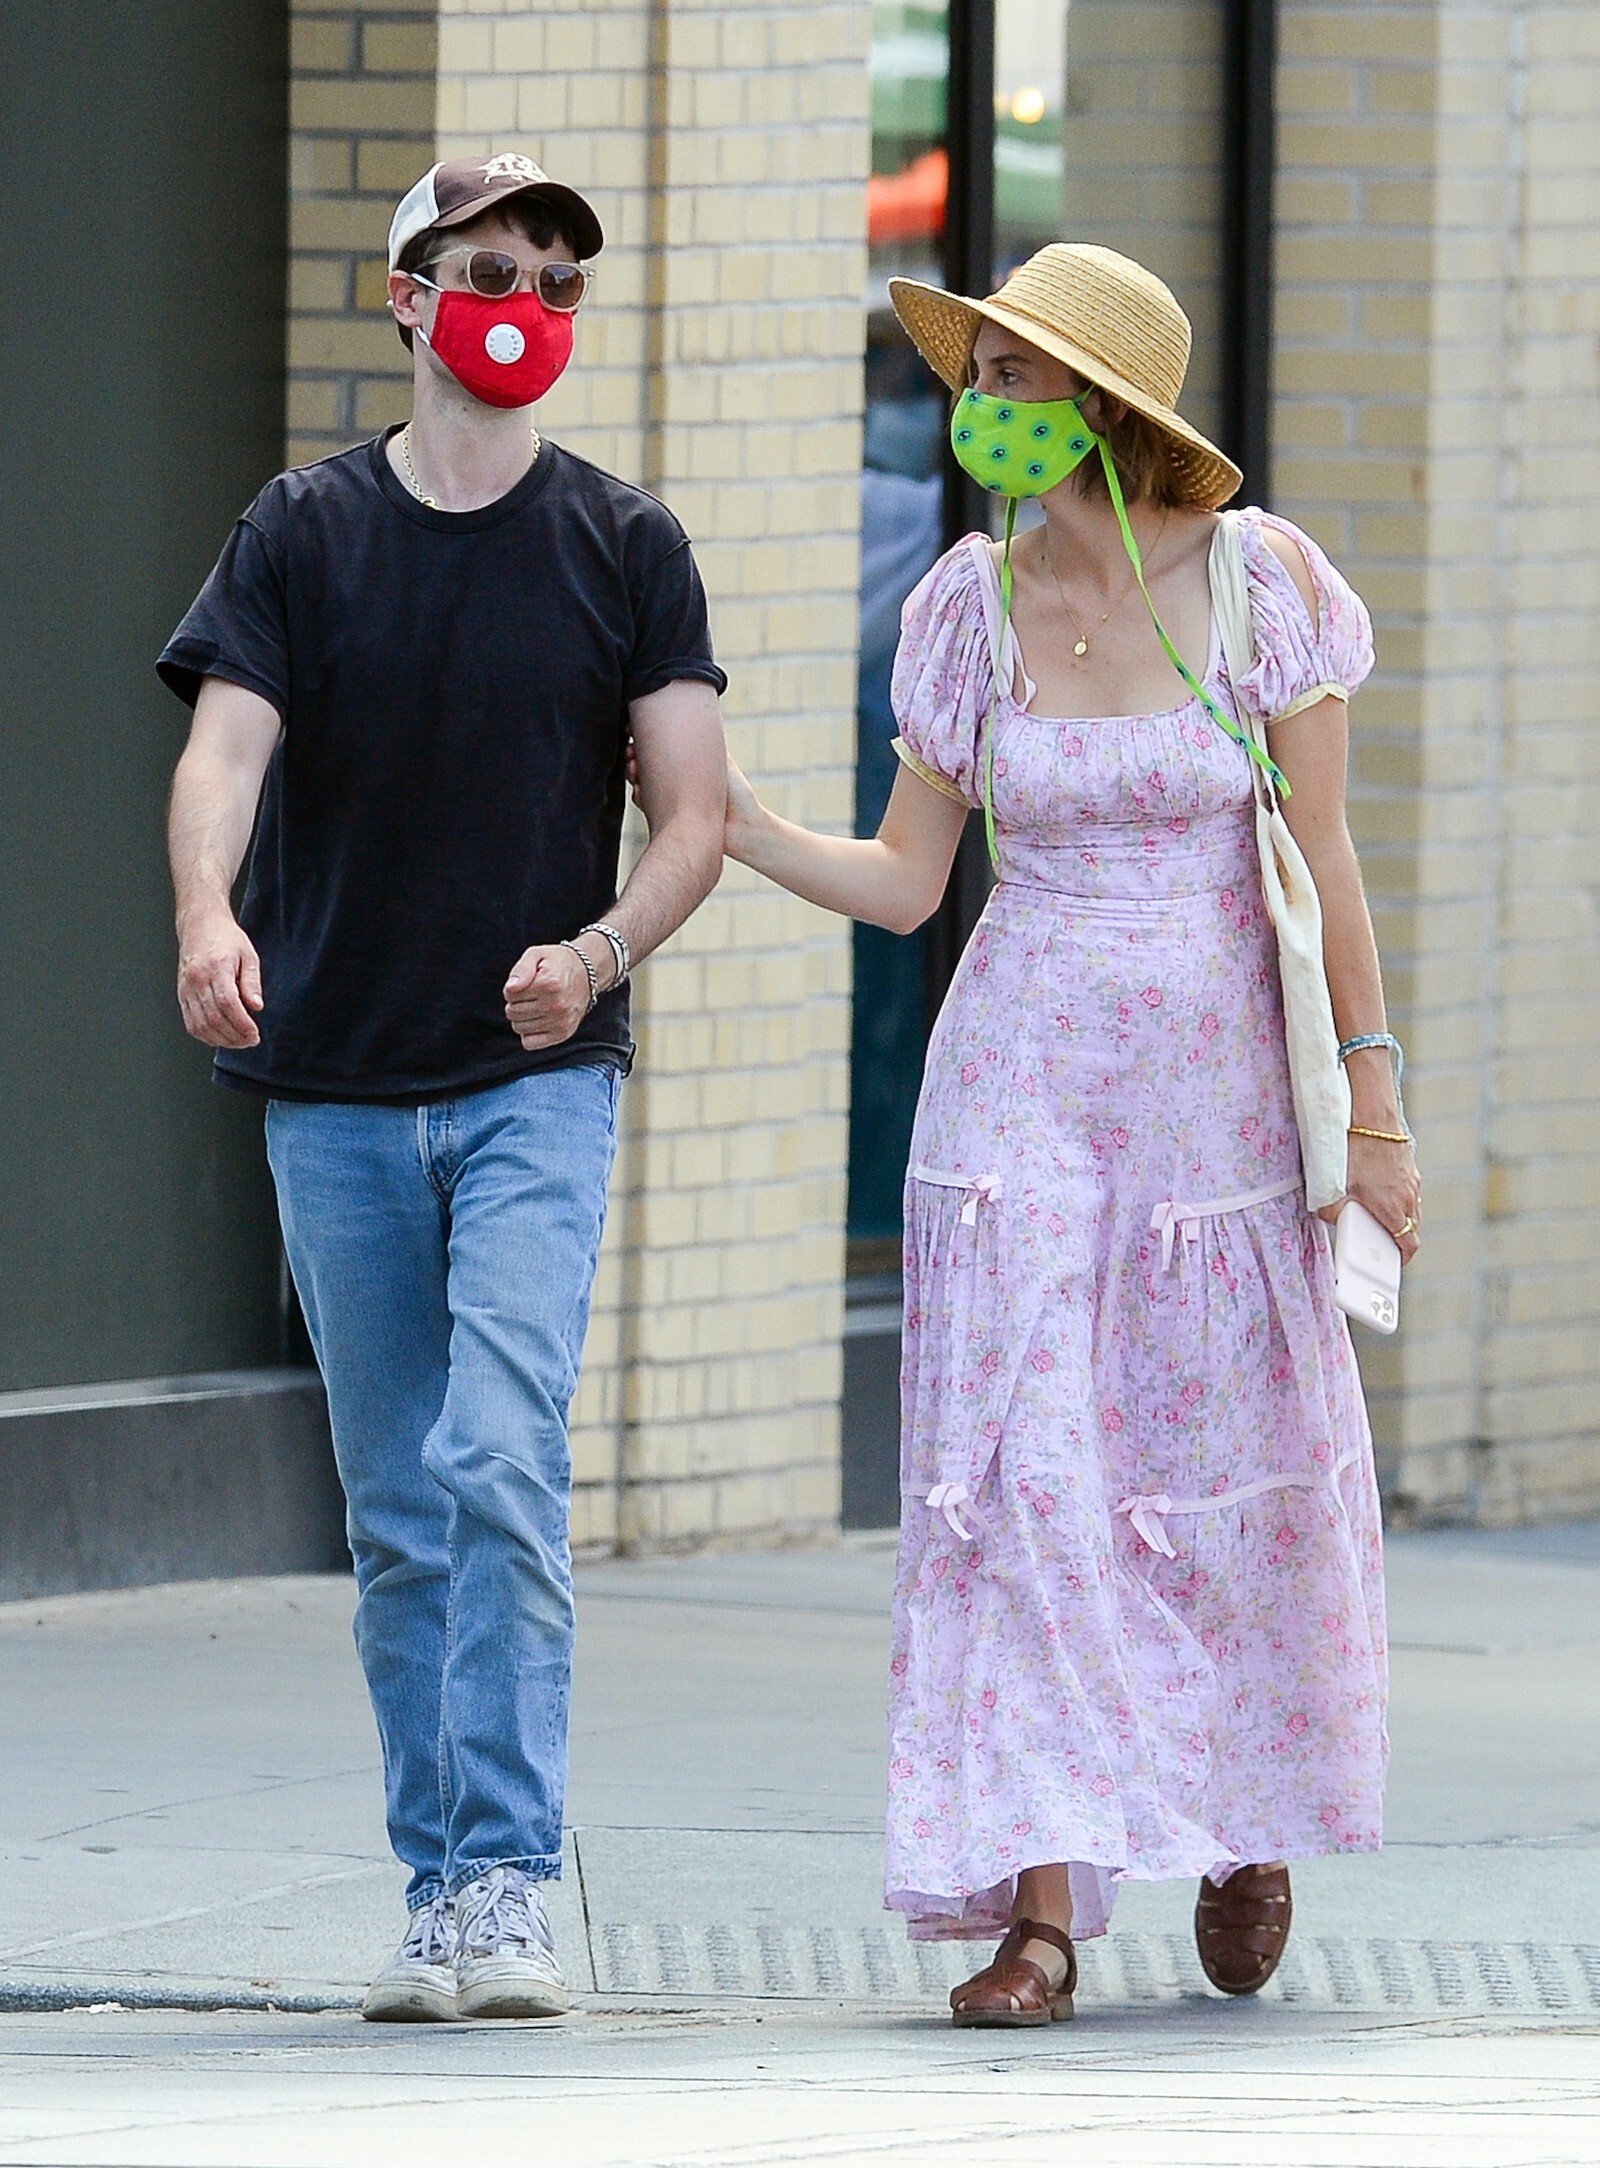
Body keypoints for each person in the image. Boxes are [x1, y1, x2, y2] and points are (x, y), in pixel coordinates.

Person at [723, 244, 1420, 2026]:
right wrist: (735, 824)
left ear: (1105, 404)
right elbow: (908, 881)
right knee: (1029, 1477)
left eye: (1015, 379)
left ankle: (1240, 1815)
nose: (985, 408)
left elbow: (1326, 856)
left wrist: (1379, 1107)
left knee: (1214, 1470)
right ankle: (1041, 1911)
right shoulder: (968, 605)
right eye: (980, 376)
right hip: (1015, 1089)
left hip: (1219, 1119)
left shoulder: (1263, 586)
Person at [159, 154, 727, 2022]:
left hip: (532, 1079)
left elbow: (694, 815)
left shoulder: (625, 544)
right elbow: (225, 751)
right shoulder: (301, 531)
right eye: (493, 273)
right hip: (333, 1082)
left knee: (498, 1456)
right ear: (409, 298)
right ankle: (438, 1888)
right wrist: (207, 914)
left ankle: (510, 1882)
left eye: (560, 283)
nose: (528, 308)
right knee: (401, 1510)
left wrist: (600, 953)